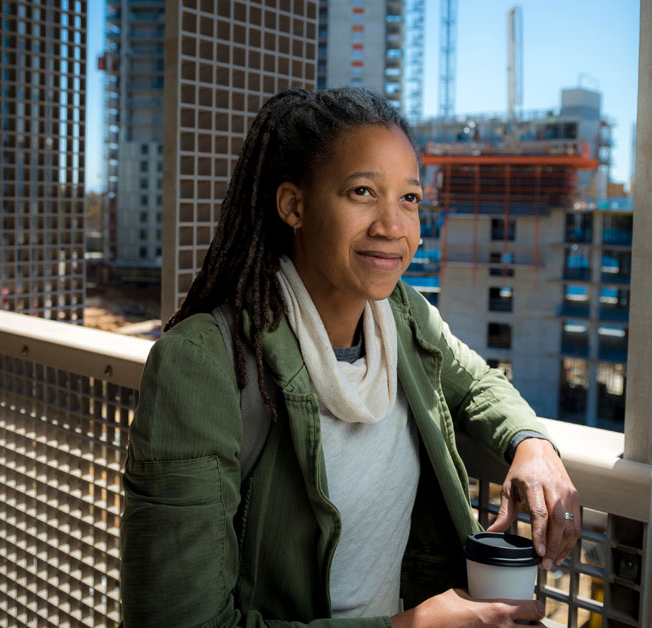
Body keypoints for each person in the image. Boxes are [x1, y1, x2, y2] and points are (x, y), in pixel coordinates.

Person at [121, 87, 580, 627]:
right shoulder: (203, 364)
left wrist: (531, 444)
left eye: (409, 198)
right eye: (362, 191)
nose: (392, 226)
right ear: (294, 205)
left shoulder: (401, 317)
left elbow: (477, 384)